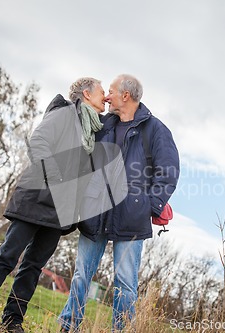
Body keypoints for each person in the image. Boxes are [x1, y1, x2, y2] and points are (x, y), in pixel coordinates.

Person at [0, 77, 107, 333]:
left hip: (59, 211)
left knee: (33, 266)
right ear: (86, 94)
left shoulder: (90, 128)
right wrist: (57, 177)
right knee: (8, 256)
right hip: (36, 198)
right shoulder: (64, 114)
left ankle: (13, 320)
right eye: (102, 92)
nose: (105, 97)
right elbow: (38, 141)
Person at [58, 74, 180, 332]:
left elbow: (168, 172)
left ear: (126, 95)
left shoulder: (156, 129)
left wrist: (148, 205)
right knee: (81, 275)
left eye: (111, 91)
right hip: (95, 210)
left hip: (131, 216)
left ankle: (120, 330)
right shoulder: (103, 124)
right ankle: (68, 326)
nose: (106, 96)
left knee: (125, 283)